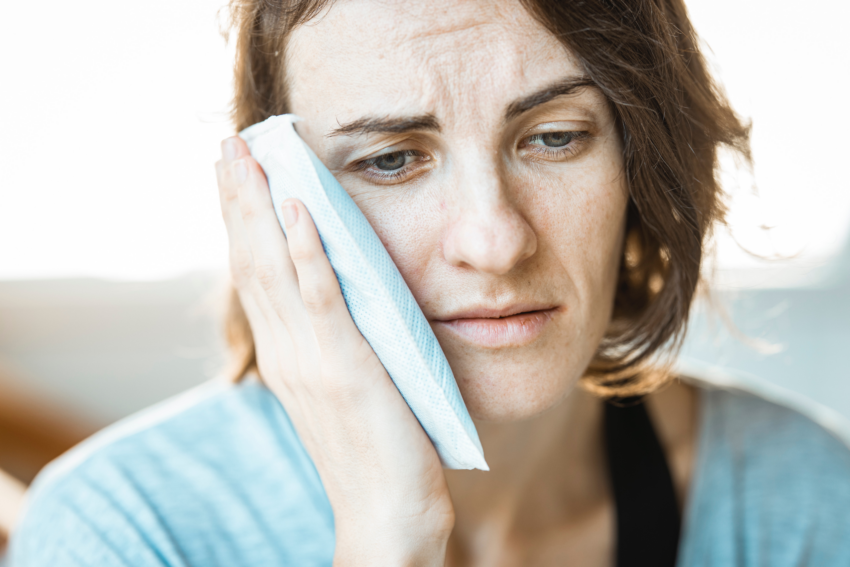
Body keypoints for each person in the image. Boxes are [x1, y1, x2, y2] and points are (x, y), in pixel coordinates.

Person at [9, 0, 850, 565]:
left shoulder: (800, 498)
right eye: (391, 159)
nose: (495, 241)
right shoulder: (117, 532)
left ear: (643, 159)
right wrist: (388, 540)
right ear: (275, 196)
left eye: (555, 137)